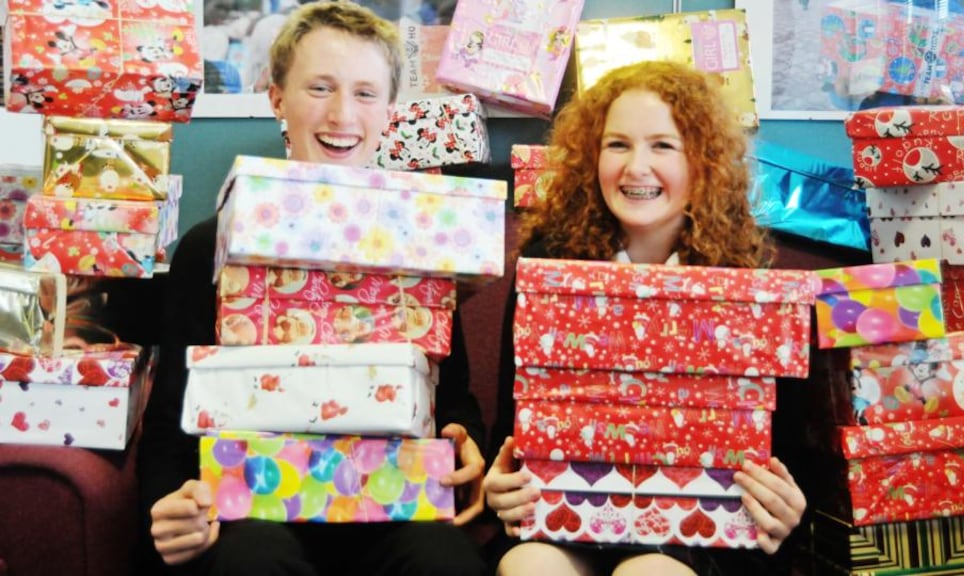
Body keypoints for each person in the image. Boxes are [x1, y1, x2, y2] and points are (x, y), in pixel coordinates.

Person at [137, 3, 486, 575]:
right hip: (252, 511)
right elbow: (171, 423)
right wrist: (169, 509)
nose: (342, 114)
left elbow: (454, 401)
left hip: (394, 506)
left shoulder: (420, 241)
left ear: (391, 111)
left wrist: (463, 439)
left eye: (366, 93)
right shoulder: (210, 247)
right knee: (251, 561)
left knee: (444, 564)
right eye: (320, 87)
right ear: (276, 98)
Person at [483, 60, 808, 576]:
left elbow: (785, 446)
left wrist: (790, 504)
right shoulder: (550, 269)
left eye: (663, 145)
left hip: (703, 534)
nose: (636, 167)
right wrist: (499, 485)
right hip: (569, 517)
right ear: (592, 157)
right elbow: (512, 426)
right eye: (617, 145)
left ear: (701, 161)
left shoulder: (745, 282)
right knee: (531, 567)